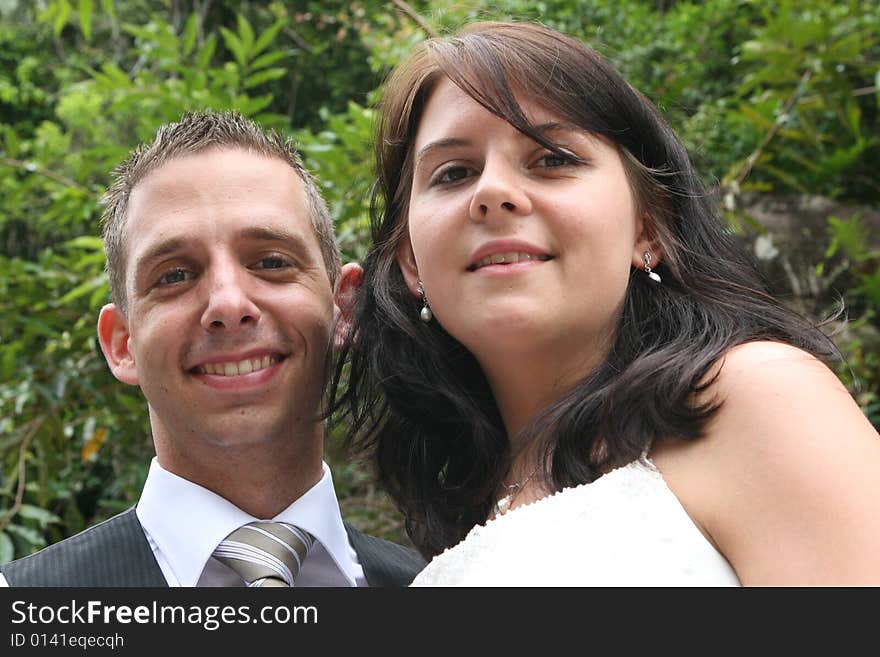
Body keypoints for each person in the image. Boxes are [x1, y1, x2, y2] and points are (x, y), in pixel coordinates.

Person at [329, 21, 880, 586]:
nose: (491, 193)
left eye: (551, 158)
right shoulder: (453, 523)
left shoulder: (755, 398)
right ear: (411, 262)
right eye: (455, 173)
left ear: (648, 228)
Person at [0, 111, 423, 587]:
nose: (227, 304)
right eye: (174, 275)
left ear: (344, 308)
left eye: (270, 261)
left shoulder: (445, 592)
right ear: (123, 345)